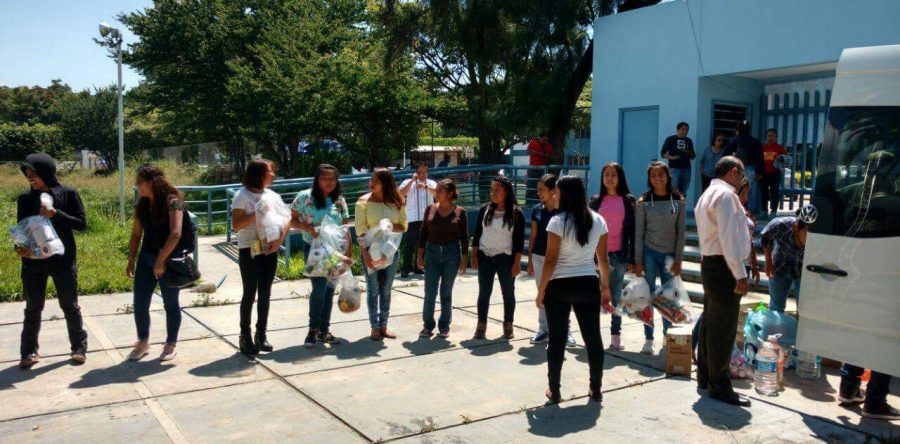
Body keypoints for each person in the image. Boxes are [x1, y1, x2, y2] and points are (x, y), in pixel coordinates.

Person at [536, 176, 611, 404]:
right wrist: (605, 288)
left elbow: (550, 260)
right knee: (593, 339)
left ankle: (554, 390)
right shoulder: (598, 220)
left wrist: (541, 291)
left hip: (559, 286)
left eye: (557, 192)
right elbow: (603, 260)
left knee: (556, 340)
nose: (554, 195)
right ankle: (596, 389)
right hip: (588, 283)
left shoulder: (557, 222)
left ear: (565, 195)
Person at [16, 153, 88, 369]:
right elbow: (21, 228)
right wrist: (19, 245)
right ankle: (29, 352)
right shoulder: (25, 199)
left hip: (62, 261)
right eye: (27, 174)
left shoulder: (68, 194)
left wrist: (55, 213)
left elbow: (81, 224)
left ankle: (79, 348)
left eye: (34, 174)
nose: (30, 178)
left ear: (46, 172)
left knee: (69, 305)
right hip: (33, 262)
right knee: (33, 307)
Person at [694, 156, 753, 407]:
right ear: (732, 172)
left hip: (712, 263)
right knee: (723, 330)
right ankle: (719, 385)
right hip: (724, 266)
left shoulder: (708, 193)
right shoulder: (727, 196)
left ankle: (707, 377)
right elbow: (730, 238)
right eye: (740, 175)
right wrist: (740, 273)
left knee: (711, 323)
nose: (742, 180)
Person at [126, 164, 190, 362]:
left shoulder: (174, 202)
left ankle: (171, 344)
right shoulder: (142, 205)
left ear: (153, 182)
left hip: (169, 260)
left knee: (170, 304)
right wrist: (131, 259)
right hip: (146, 258)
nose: (138, 187)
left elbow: (176, 233)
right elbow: (136, 234)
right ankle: (143, 342)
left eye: (140, 182)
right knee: (140, 303)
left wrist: (161, 261)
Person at [691, 177, 760, 356]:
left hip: (735, 264)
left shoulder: (742, 210)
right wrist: (740, 274)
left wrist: (753, 265)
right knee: (716, 319)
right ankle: (710, 367)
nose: (747, 196)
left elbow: (748, 241)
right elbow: (727, 240)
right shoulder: (728, 205)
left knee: (714, 315)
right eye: (745, 192)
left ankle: (709, 370)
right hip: (726, 266)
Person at [230, 160, 288, 355]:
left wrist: (279, 240)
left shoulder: (273, 195)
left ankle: (261, 334)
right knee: (250, 292)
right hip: (249, 249)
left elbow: (286, 219)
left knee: (266, 292)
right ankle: (244, 335)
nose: (273, 175)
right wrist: (257, 212)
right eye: (270, 172)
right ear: (259, 174)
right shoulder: (242, 196)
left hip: (269, 248)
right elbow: (236, 225)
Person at [291, 164, 351, 349]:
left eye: (332, 179)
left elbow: (345, 227)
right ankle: (312, 330)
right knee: (319, 289)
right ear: (317, 179)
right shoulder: (304, 197)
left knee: (329, 291)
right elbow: (291, 219)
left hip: (334, 251)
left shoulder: (339, 200)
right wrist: (308, 228)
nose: (329, 182)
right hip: (314, 249)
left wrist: (347, 254)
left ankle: (324, 330)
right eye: (324, 178)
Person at [634, 161, 686, 354]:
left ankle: (667, 335)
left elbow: (681, 233)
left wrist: (679, 260)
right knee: (646, 296)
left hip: (670, 257)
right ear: (649, 179)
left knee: (668, 299)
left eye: (661, 175)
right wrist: (638, 261)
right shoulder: (643, 203)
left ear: (668, 176)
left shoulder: (679, 201)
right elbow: (639, 234)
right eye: (654, 175)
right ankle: (649, 337)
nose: (658, 179)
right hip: (648, 253)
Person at [589, 162, 636, 351]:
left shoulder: (628, 200)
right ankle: (592, 334)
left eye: (613, 175)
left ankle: (615, 335)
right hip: (596, 256)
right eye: (606, 174)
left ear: (620, 178)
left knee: (616, 296)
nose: (609, 178)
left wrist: (632, 258)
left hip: (618, 255)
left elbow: (632, 231)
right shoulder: (595, 201)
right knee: (595, 296)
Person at [356, 168, 408, 341]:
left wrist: (390, 226)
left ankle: (384, 325)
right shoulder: (362, 202)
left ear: (385, 183)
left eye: (375, 181)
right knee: (373, 290)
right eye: (371, 180)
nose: (371, 183)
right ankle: (374, 326)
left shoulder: (397, 201)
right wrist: (365, 254)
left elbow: (404, 225)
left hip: (390, 252)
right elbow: (360, 231)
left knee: (386, 289)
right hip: (370, 251)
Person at [471, 176, 525, 340]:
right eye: (492, 189)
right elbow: (477, 235)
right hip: (485, 256)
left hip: (505, 258)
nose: (493, 193)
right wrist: (474, 255)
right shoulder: (485, 210)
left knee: (508, 293)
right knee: (484, 292)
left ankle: (508, 324)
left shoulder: (516, 213)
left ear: (507, 192)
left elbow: (518, 242)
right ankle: (481, 325)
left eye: (497, 190)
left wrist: (516, 263)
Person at [416, 179, 468, 338]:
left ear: (450, 194)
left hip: (451, 253)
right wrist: (419, 255)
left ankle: (444, 326)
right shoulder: (430, 209)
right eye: (436, 190)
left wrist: (464, 259)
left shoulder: (460, 212)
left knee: (446, 291)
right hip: (432, 252)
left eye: (440, 191)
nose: (436, 193)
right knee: (429, 291)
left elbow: (464, 237)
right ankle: (428, 325)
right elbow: (423, 232)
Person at [527, 175, 575, 346]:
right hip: (539, 257)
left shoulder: (561, 211)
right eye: (538, 189)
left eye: (542, 189)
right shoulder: (536, 209)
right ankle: (544, 329)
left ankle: (566, 331)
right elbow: (533, 236)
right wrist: (530, 260)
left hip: (558, 258)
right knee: (542, 293)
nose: (539, 192)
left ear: (553, 190)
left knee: (562, 295)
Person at [760, 205, 816, 313]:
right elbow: (765, 236)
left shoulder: (819, 240)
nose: (811, 237)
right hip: (780, 268)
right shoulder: (782, 225)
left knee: (804, 311)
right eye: (807, 232)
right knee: (776, 309)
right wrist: (768, 261)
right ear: (796, 228)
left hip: (803, 273)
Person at [398, 163, 436, 278]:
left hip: (427, 218)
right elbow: (400, 194)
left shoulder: (431, 183)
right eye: (420, 172)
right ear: (415, 172)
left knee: (422, 244)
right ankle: (405, 269)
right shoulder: (407, 182)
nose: (422, 175)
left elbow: (438, 194)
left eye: (425, 172)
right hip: (413, 218)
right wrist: (412, 181)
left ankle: (418, 268)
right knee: (410, 244)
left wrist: (425, 187)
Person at [724, 120, 765, 215]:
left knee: (734, 190)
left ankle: (734, 211)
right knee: (749, 192)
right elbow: (760, 158)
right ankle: (748, 212)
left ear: (737, 129)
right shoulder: (755, 141)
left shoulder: (732, 141)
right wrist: (759, 172)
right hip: (750, 168)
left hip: (735, 169)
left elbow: (725, 157)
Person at [660, 122, 696, 194]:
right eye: (683, 129)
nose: (685, 131)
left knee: (683, 191)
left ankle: (682, 204)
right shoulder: (670, 139)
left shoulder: (689, 141)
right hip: (674, 168)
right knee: (674, 190)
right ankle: (673, 204)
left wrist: (688, 153)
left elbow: (693, 156)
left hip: (686, 168)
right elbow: (663, 154)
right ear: (678, 130)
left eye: (687, 130)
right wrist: (672, 157)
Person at [761, 128, 787, 216]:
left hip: (775, 173)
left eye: (772, 135)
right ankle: (764, 211)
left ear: (776, 137)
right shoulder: (762, 147)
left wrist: (781, 159)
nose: (770, 137)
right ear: (766, 137)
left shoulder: (780, 148)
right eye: (769, 135)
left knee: (774, 192)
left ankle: (773, 211)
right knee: (764, 192)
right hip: (764, 173)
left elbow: (785, 160)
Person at [526, 132, 555, 201]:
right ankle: (530, 202)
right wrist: (539, 153)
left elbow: (553, 157)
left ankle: (541, 201)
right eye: (544, 140)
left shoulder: (549, 146)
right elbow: (528, 151)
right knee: (531, 186)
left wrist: (547, 156)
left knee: (543, 186)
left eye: (547, 140)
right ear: (540, 138)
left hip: (544, 169)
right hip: (533, 168)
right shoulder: (533, 142)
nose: (545, 142)